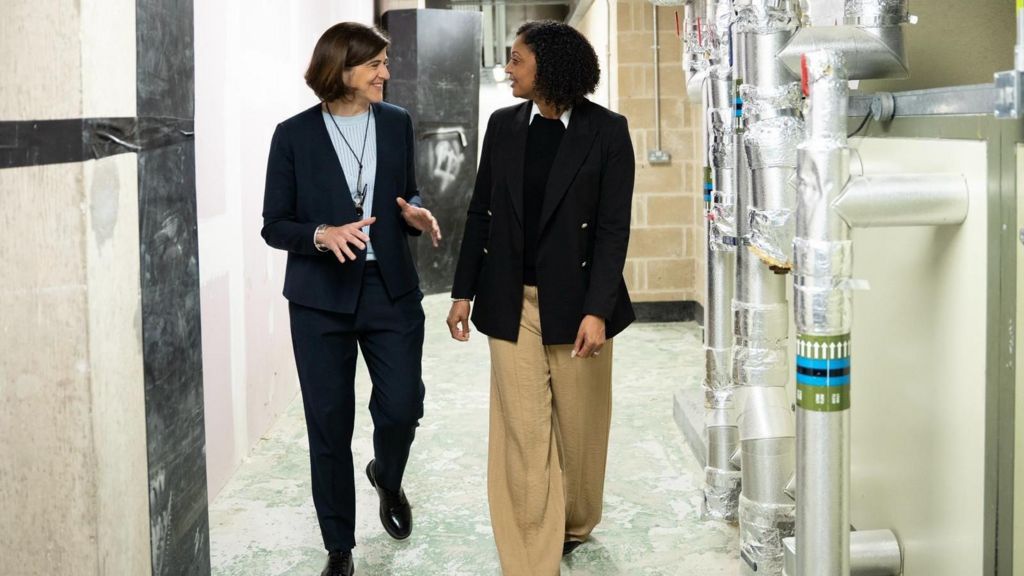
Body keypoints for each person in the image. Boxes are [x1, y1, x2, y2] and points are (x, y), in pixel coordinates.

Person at [446, 20, 635, 576]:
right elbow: (480, 211)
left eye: (516, 59)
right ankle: (530, 561)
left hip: (578, 305)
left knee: (578, 433)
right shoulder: (502, 126)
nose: (507, 68)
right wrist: (462, 292)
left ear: (548, 68)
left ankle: (575, 522)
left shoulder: (608, 131)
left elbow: (611, 230)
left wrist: (598, 309)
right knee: (524, 437)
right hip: (509, 300)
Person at [261, 22, 442, 576]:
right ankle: (339, 546)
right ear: (341, 70)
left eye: (384, 63)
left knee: (402, 406)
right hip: (320, 299)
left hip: (389, 289)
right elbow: (275, 225)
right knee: (328, 424)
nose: (386, 73)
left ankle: (387, 476)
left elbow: (404, 190)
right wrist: (321, 234)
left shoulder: (396, 122)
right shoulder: (292, 135)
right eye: (376, 65)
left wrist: (413, 210)